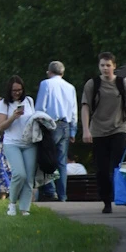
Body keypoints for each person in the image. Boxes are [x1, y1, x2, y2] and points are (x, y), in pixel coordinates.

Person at [80, 52, 126, 214]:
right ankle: (106, 200)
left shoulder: (122, 83)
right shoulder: (93, 84)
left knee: (117, 166)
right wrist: (85, 129)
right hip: (98, 131)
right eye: (102, 65)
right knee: (102, 170)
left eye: (108, 65)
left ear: (114, 66)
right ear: (99, 66)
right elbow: (85, 107)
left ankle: (122, 195)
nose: (105, 68)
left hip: (119, 129)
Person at [35, 61, 79, 201]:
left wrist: (37, 126)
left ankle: (50, 190)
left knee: (45, 157)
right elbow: (73, 111)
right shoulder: (70, 87)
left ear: (49, 72)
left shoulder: (46, 84)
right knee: (61, 162)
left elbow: (40, 108)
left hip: (50, 125)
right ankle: (63, 195)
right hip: (65, 125)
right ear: (62, 73)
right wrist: (73, 131)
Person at [0, 76, 36, 216]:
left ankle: (25, 208)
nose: (17, 93)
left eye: (20, 90)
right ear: (9, 90)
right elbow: (1, 126)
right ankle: (12, 203)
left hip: (30, 143)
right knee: (19, 174)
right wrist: (13, 116)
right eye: (14, 90)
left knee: (29, 177)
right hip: (12, 143)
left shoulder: (29, 101)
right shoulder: (3, 104)